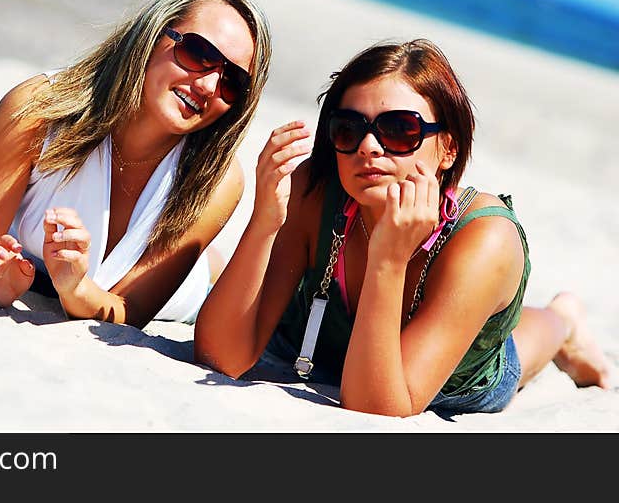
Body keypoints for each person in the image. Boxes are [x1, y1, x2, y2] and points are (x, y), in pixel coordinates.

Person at [194, 39, 611, 416]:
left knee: (520, 346)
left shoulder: (484, 239)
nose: (368, 147)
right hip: (321, 344)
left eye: (399, 130)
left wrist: (388, 259)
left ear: (448, 149)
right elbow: (222, 355)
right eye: (348, 129)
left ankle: (564, 320)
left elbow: (375, 409)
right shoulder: (316, 189)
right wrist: (265, 222)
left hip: (449, 382)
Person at [0, 0, 271, 326]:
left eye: (232, 81)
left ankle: (209, 262)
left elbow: (132, 310)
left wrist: (76, 288)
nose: (207, 86)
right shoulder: (38, 110)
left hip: (183, 293)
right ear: (153, 37)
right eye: (199, 54)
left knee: (204, 274)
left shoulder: (215, 181)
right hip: (40, 269)